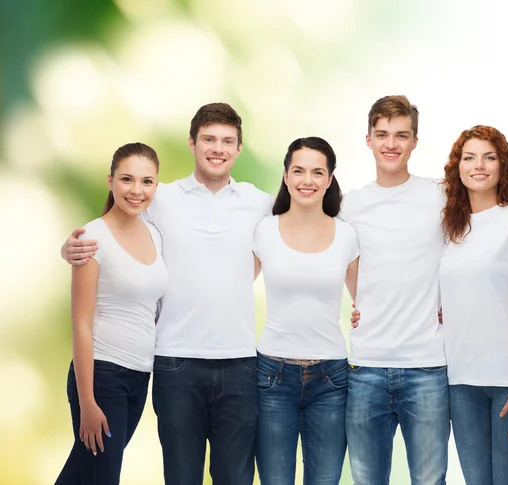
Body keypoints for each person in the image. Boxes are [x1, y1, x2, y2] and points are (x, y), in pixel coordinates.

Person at [61, 103, 274, 485]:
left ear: (239, 149)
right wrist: (70, 249)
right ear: (192, 143)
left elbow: (302, 229)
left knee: (236, 477)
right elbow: (114, 228)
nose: (218, 148)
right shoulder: (161, 198)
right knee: (179, 476)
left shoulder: (259, 202)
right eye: (209, 138)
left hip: (240, 362)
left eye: (227, 141)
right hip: (175, 362)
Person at [341, 96, 508, 485]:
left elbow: (497, 220)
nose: (391, 143)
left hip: (437, 367)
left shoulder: (446, 200)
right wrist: (361, 301)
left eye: (401, 134)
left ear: (415, 141)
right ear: (367, 139)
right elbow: (327, 245)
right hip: (420, 371)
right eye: (382, 134)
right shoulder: (352, 205)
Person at [56, 142, 169, 485]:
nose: (137, 190)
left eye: (146, 181)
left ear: (156, 186)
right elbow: (81, 324)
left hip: (139, 377)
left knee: (83, 474)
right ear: (110, 181)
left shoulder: (154, 233)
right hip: (103, 376)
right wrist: (88, 402)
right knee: (100, 478)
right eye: (127, 180)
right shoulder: (92, 238)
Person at [439, 126, 508, 485]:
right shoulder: (450, 230)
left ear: (504, 165)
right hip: (460, 382)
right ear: (458, 168)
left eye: (489, 157)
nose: (478, 165)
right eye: (469, 158)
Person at [253, 137, 359, 485]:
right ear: (285, 176)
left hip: (331, 379)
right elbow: (231, 289)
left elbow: (368, 301)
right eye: (298, 171)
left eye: (317, 172)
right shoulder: (265, 230)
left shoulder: (346, 235)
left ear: (329, 180)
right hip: (272, 375)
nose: (307, 181)